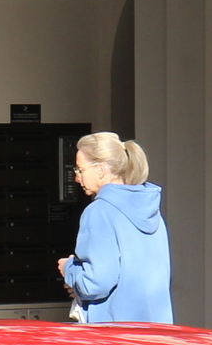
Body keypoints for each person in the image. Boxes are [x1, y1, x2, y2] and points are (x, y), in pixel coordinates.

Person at [58, 132, 172, 324]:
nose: (77, 178)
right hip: (158, 333)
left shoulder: (100, 211)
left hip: (116, 338)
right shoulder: (151, 210)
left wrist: (69, 268)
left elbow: (95, 284)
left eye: (80, 169)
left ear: (100, 169)